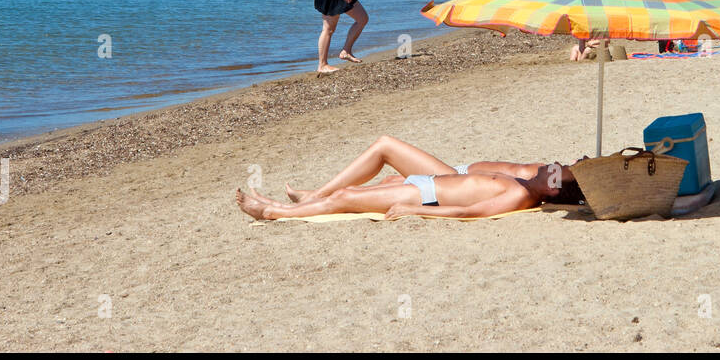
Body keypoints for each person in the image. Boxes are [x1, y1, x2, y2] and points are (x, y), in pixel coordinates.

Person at [237, 136, 583, 220]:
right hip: (434, 184)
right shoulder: (527, 185)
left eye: (553, 172)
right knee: (381, 154)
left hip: (428, 195)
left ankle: (274, 212)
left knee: (345, 199)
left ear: (551, 192)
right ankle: (312, 196)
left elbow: (468, 213)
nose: (548, 166)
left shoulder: (519, 196)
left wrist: (418, 211)